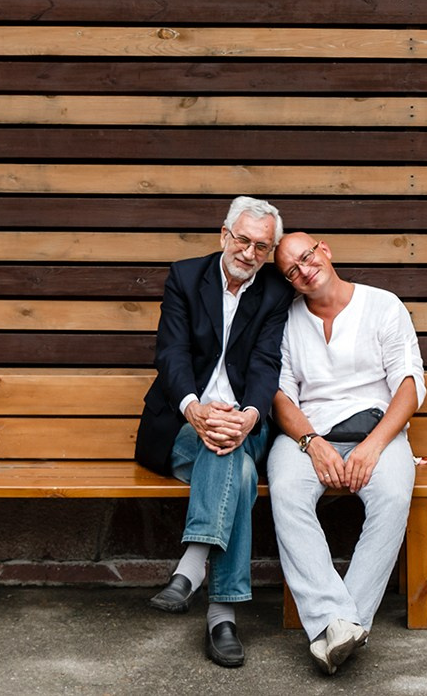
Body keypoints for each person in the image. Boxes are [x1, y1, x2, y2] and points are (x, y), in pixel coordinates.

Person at [134, 195, 296, 668]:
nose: (250, 253)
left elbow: (267, 363)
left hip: (247, 423)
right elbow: (172, 354)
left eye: (262, 247)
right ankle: (222, 617)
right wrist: (194, 410)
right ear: (224, 235)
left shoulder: (272, 293)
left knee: (230, 449)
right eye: (243, 240)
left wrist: (248, 415)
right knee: (238, 471)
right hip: (185, 424)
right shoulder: (186, 277)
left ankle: (189, 569)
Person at [268, 232, 426, 676]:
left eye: (307, 257)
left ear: (325, 250)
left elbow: (410, 385)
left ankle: (337, 628)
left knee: (394, 496)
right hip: (308, 436)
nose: (304, 270)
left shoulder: (383, 305)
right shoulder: (285, 321)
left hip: (377, 432)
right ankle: (341, 624)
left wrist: (374, 445)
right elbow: (280, 395)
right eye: (291, 270)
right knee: (286, 490)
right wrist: (311, 443)